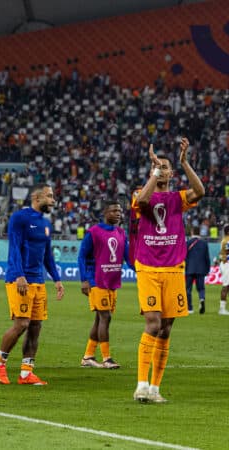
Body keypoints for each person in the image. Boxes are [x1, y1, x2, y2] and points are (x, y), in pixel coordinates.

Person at [131, 139, 204, 403]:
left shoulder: (178, 199)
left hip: (174, 269)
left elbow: (200, 191)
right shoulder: (143, 193)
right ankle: (140, 385)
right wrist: (154, 172)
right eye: (159, 165)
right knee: (153, 323)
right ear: (153, 169)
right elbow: (141, 202)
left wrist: (184, 161)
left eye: (166, 167)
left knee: (166, 329)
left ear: (172, 173)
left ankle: (154, 388)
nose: (163, 169)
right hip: (148, 267)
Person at [0, 183, 64, 385]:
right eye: (49, 196)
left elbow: (47, 255)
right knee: (21, 324)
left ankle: (26, 373)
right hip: (19, 279)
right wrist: (19, 274)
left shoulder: (46, 224)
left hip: (39, 281)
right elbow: (14, 247)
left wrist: (56, 279)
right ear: (36, 197)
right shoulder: (20, 218)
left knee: (35, 326)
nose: (53, 200)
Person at [78, 200, 131, 369]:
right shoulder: (94, 232)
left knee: (100, 319)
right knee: (105, 317)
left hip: (112, 281)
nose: (118, 214)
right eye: (115, 210)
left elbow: (129, 258)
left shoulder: (121, 233)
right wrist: (84, 280)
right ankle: (107, 358)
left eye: (120, 211)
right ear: (105, 213)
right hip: (97, 280)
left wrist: (143, 270)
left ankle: (88, 356)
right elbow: (82, 256)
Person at [185, 226, 210, 314]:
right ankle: (202, 299)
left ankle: (190, 308)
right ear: (199, 232)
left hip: (189, 269)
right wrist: (207, 269)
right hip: (201, 269)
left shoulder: (187, 243)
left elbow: (184, 257)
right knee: (201, 288)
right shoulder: (204, 243)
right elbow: (207, 258)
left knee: (188, 289)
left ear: (192, 232)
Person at [218, 225, 229, 315]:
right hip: (227, 265)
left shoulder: (225, 239)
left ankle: (223, 308)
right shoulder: (227, 240)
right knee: (226, 286)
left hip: (225, 263)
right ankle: (222, 309)